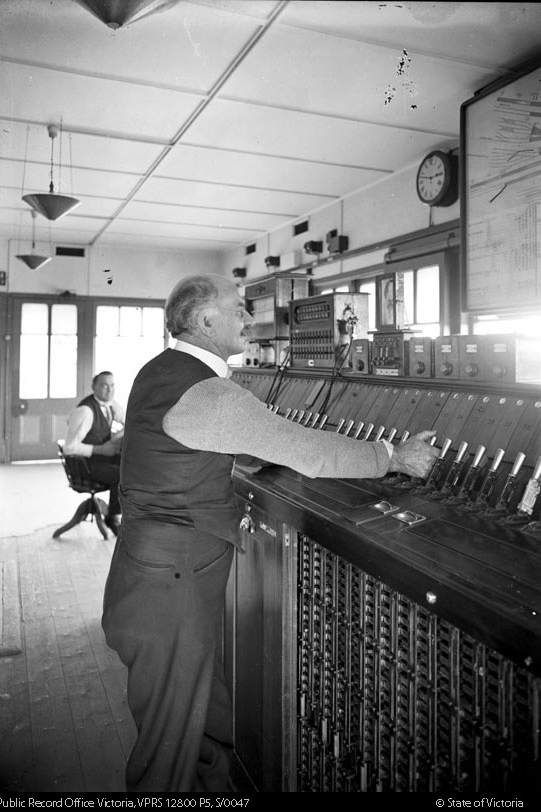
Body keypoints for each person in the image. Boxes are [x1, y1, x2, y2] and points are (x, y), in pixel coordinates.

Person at [101, 274, 439, 793]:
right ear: (206, 321)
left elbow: (204, 441)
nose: (248, 318)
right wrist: (394, 456)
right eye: (237, 309)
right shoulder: (210, 392)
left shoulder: (159, 369)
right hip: (172, 583)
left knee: (200, 711)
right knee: (169, 743)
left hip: (154, 571)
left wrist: (256, 445)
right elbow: (309, 451)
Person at [63, 370, 125, 536]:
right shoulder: (86, 411)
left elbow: (130, 420)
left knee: (130, 465)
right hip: (86, 467)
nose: (109, 390)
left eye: (112, 385)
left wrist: (116, 437)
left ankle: (127, 514)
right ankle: (113, 516)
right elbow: (69, 448)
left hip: (102, 460)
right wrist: (101, 449)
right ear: (94, 387)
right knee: (122, 475)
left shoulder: (111, 405)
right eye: (104, 386)